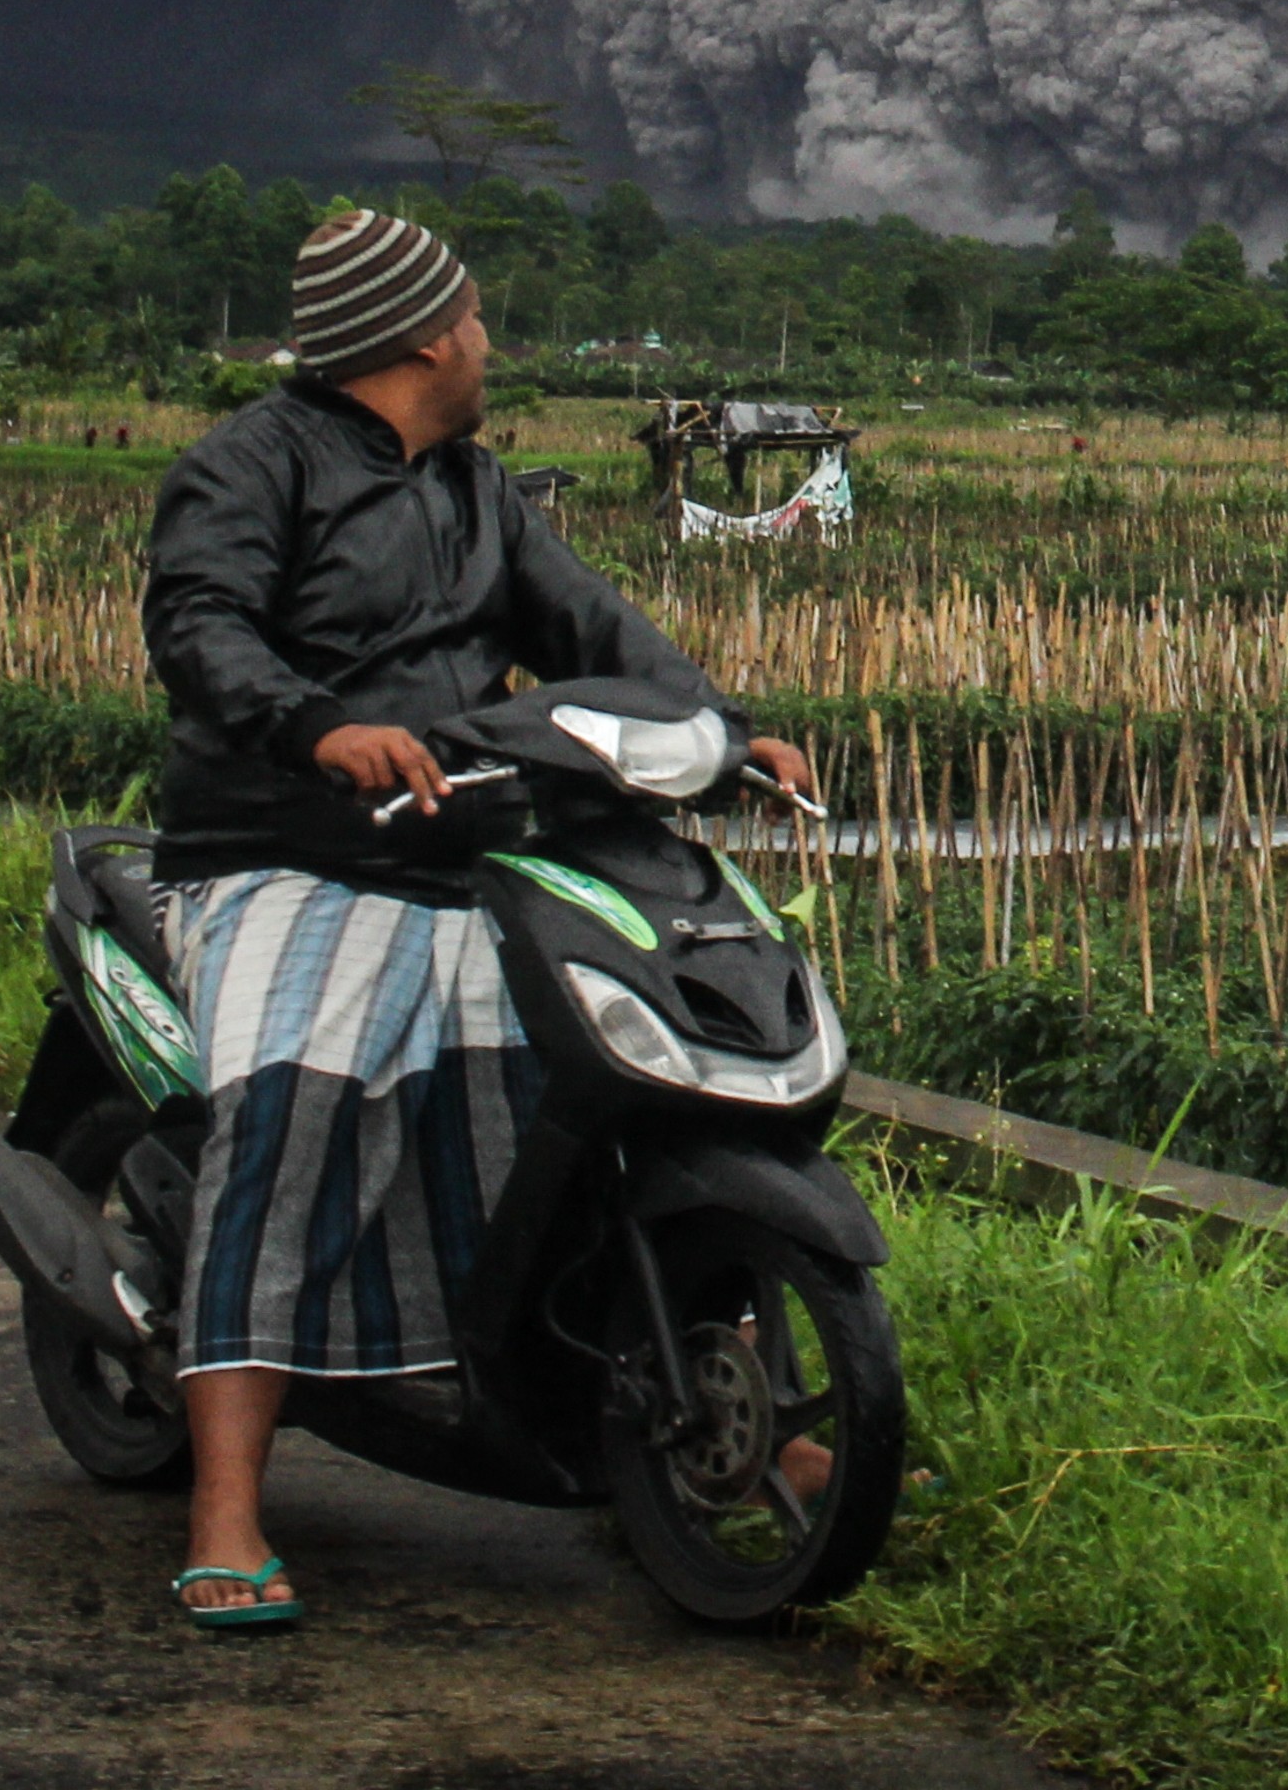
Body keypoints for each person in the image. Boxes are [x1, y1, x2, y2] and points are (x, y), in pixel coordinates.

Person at [135, 203, 818, 1634]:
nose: (490, 338)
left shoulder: (476, 487)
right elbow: (202, 630)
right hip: (279, 850)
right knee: (293, 1098)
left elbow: (595, 626)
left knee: (590, 1088)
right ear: (427, 336)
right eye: (480, 317)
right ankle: (225, 1505)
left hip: (464, 842)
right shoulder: (247, 469)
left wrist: (725, 730)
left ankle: (648, 1399)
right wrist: (316, 730)